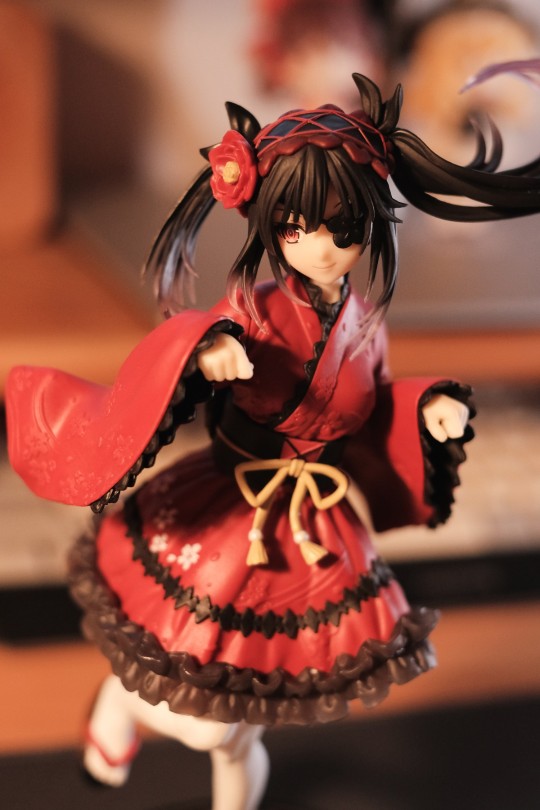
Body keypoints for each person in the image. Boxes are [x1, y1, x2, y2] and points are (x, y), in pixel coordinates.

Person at [6, 74, 540, 810]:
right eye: (295, 229)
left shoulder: (364, 327)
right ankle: (117, 712)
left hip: (315, 530)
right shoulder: (254, 313)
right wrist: (207, 352)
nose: (320, 248)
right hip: (232, 511)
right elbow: (189, 340)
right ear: (269, 226)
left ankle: (164, 746)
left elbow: (373, 406)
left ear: (371, 226)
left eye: (342, 229)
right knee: (195, 693)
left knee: (244, 718)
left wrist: (427, 407)